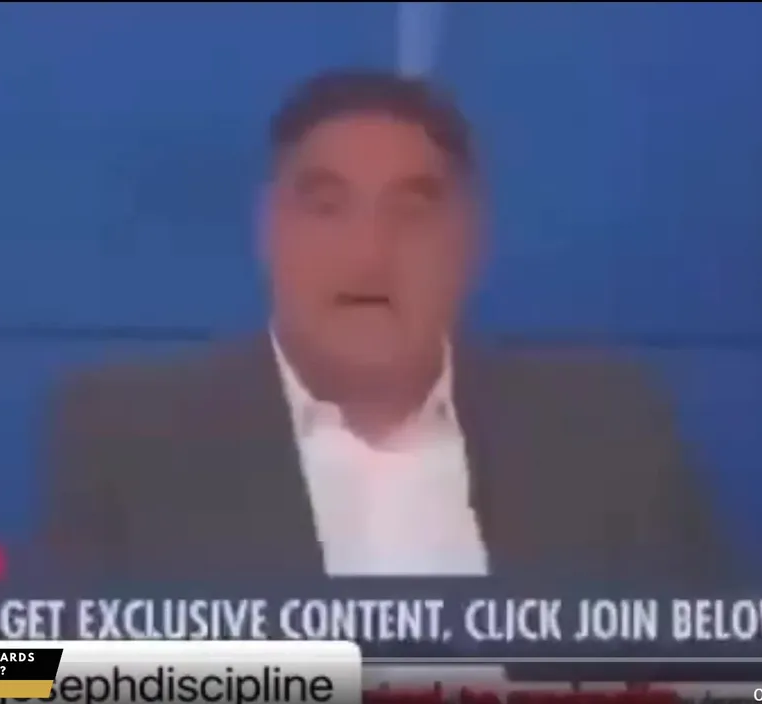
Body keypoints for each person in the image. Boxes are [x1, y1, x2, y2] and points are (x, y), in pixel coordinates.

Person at [44, 70, 724, 593]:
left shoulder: (609, 428)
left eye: (412, 212)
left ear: (471, 240)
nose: (369, 255)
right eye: (327, 207)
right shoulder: (130, 437)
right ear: (269, 231)